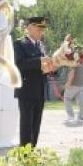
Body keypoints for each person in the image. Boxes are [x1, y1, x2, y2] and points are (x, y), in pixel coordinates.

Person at [14, 17, 56, 147]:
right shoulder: (20, 44)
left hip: (40, 90)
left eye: (42, 30)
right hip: (26, 91)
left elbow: (43, 67)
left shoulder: (41, 45)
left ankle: (33, 151)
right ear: (30, 27)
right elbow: (19, 64)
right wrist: (40, 61)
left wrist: (52, 67)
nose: (41, 32)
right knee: (26, 125)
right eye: (39, 29)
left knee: (36, 124)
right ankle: (25, 156)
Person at [62, 39, 83, 126]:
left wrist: (68, 83)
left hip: (74, 84)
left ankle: (70, 117)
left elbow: (72, 73)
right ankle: (81, 118)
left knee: (67, 98)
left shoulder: (73, 61)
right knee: (81, 102)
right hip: (81, 84)